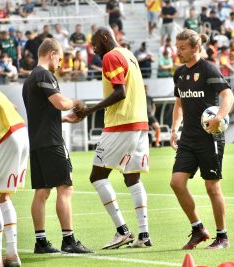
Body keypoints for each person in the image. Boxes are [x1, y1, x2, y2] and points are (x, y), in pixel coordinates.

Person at [75, 26, 152, 249]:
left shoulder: (111, 56)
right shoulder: (129, 54)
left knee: (97, 176)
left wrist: (89, 111)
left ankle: (122, 230)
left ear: (105, 39)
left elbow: (120, 92)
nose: (93, 47)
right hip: (139, 124)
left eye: (95, 43)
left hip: (121, 124)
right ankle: (144, 235)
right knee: (132, 178)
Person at [22, 38, 93, 254]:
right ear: (52, 53)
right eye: (60, 58)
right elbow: (61, 103)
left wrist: (63, 119)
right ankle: (68, 239)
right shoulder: (44, 74)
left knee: (42, 192)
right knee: (65, 187)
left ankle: (41, 242)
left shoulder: (29, 80)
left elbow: (43, 113)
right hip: (52, 142)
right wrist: (77, 103)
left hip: (37, 142)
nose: (61, 63)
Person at [170, 29, 234, 250]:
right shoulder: (179, 73)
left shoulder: (208, 69)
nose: (178, 52)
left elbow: (228, 95)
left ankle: (222, 237)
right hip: (187, 139)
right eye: (177, 47)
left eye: (182, 48)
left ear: (195, 48)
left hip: (210, 138)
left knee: (212, 187)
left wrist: (219, 117)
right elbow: (179, 104)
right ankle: (198, 229)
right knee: (176, 183)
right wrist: (174, 130)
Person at [0, 83, 29, 267]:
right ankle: (12, 256)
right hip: (19, 130)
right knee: (3, 196)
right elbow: (12, 106)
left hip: (4, 137)